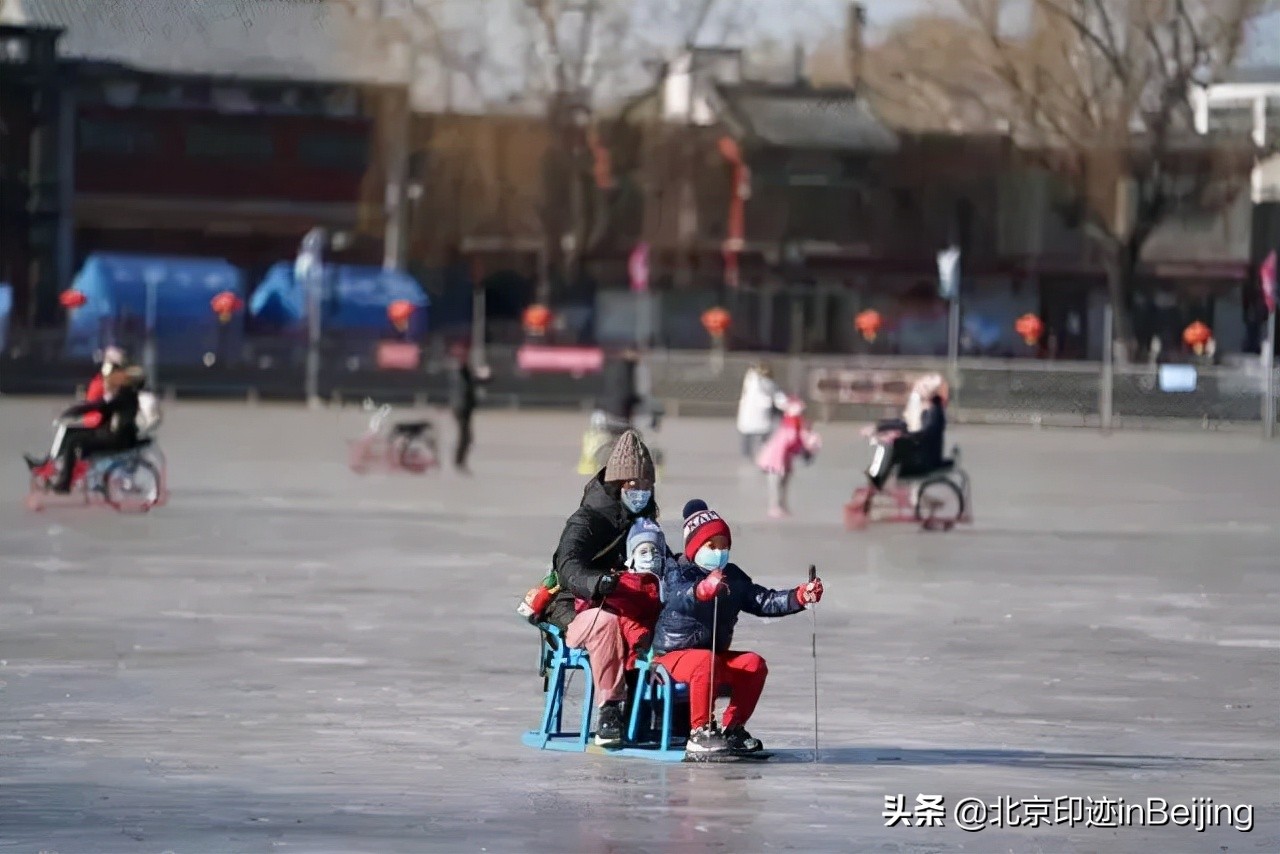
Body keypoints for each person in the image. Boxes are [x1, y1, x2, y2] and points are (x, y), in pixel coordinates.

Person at [651, 500, 823, 756]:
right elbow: (678, 596)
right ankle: (700, 731)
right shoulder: (679, 571)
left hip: (713, 658)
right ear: (695, 547)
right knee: (703, 661)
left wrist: (799, 596)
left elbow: (763, 600)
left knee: (753, 664)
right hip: (671, 658)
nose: (719, 552)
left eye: (724, 546)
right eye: (712, 546)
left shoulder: (732, 576)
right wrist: (702, 590)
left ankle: (732, 728)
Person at [547, 429, 665, 746]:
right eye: (633, 484)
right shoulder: (586, 520)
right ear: (617, 483)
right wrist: (597, 583)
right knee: (607, 624)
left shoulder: (645, 520)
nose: (641, 491)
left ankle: (666, 712)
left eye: (646, 484)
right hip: (576, 608)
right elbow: (567, 565)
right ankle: (610, 710)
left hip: (627, 601)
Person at [564, 518, 669, 746]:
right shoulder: (581, 534)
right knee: (607, 621)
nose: (650, 557)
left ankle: (652, 724)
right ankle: (609, 710)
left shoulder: (659, 580)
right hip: (590, 621)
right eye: (643, 552)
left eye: (654, 552)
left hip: (639, 641)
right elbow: (567, 572)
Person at [43, 366, 145, 493]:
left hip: (117, 439)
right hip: (112, 434)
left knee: (73, 441)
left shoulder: (124, 396)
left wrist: (74, 411)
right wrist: (75, 410)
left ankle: (65, 482)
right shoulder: (124, 394)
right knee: (71, 434)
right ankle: (57, 468)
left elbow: (99, 406)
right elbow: (99, 405)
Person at [864, 373, 949, 493]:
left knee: (893, 445)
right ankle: (877, 476)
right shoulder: (928, 407)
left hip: (924, 459)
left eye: (924, 388)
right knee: (889, 444)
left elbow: (923, 434)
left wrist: (902, 437)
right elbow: (906, 425)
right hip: (924, 453)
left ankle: (878, 478)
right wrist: (880, 427)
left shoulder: (933, 411)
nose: (919, 390)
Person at [755, 397, 821, 518]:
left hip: (783, 461)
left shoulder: (793, 427)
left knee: (783, 483)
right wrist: (805, 448)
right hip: (774, 462)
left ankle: (782, 506)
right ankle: (774, 507)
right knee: (775, 484)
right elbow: (792, 442)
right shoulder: (790, 427)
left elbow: (797, 442)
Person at [447, 343, 488, 474]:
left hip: (465, 407)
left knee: (466, 437)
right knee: (466, 437)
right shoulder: (460, 371)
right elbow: (466, 386)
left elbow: (474, 382)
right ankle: (459, 462)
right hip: (462, 408)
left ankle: (459, 461)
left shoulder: (464, 371)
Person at [735, 362, 787, 459]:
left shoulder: (750, 382)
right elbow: (779, 399)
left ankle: (747, 454)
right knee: (764, 437)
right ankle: (765, 452)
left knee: (747, 438)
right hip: (762, 419)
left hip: (747, 419)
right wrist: (787, 406)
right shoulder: (770, 384)